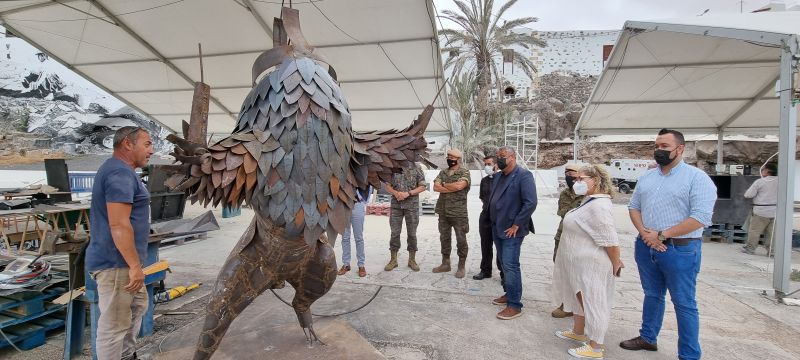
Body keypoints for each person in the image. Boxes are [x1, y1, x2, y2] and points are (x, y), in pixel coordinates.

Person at [620, 128, 716, 360]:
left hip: (679, 249)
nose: (659, 150)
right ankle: (648, 338)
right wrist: (645, 233)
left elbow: (701, 217)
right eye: (656, 146)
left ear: (680, 149)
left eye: (664, 147)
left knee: (684, 303)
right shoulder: (648, 177)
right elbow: (634, 206)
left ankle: (689, 354)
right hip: (647, 246)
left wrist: (662, 235)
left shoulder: (697, 178)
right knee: (652, 294)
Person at [86, 126, 154, 360]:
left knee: (136, 308)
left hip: (122, 262)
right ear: (127, 144)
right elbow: (119, 224)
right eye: (147, 144)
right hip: (117, 263)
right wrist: (134, 266)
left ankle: (126, 356)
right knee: (114, 326)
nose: (151, 150)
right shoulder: (119, 173)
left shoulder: (120, 171)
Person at [552, 164, 623, 360]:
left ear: (597, 181)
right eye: (577, 179)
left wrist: (616, 262)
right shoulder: (589, 201)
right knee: (579, 299)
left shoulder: (600, 205)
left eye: (582, 179)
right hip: (578, 263)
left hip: (591, 264)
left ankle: (595, 347)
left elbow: (610, 240)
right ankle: (578, 331)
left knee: (594, 301)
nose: (577, 182)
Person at [488, 146, 537, 320]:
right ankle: (509, 293)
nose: (499, 159)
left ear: (513, 157)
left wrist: (517, 223)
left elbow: (530, 203)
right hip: (497, 226)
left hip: (512, 230)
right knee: (503, 263)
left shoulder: (523, 176)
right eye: (497, 156)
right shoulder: (499, 176)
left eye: (502, 156)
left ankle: (515, 305)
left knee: (510, 265)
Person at [551, 163, 585, 318]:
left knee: (578, 273)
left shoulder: (589, 194)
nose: (568, 176)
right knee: (562, 269)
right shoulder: (565, 193)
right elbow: (562, 212)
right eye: (566, 173)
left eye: (572, 173)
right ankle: (566, 304)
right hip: (563, 234)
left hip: (581, 239)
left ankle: (580, 306)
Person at [432, 149, 471, 278]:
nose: (449, 158)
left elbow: (460, 186)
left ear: (458, 159)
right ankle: (445, 263)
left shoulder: (464, 172)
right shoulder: (443, 172)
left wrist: (444, 185)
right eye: (448, 156)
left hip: (458, 213)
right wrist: (450, 186)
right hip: (443, 211)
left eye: (452, 157)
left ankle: (461, 265)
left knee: (461, 240)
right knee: (444, 238)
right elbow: (435, 187)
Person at [384, 164, 427, 272]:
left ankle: (412, 260)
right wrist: (396, 193)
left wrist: (408, 193)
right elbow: (387, 185)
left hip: (411, 206)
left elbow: (422, 186)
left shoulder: (417, 168)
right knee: (394, 233)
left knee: (412, 234)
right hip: (396, 205)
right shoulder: (393, 166)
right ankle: (393, 260)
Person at [473, 155, 503, 281]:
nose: (487, 167)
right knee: (485, 244)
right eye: (485, 164)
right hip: (485, 215)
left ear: (496, 165)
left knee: (500, 246)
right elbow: (482, 196)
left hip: (499, 217)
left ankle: (503, 273)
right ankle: (485, 270)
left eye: (489, 164)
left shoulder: (503, 179)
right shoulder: (484, 180)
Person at [742, 163, 778, 256]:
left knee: (754, 231)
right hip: (775, 211)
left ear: (767, 171)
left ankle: (750, 249)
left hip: (761, 211)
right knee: (772, 234)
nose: (762, 171)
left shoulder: (760, 182)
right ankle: (772, 251)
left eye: (763, 170)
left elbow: (748, 195)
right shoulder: (781, 181)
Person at [338, 185, 372, 277]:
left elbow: (369, 186)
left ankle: (361, 265)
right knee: (345, 237)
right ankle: (346, 264)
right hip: (344, 206)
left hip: (358, 205)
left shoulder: (359, 171)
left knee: (359, 238)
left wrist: (363, 200)